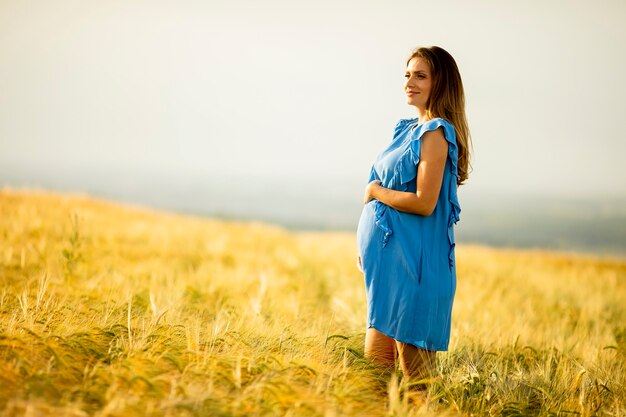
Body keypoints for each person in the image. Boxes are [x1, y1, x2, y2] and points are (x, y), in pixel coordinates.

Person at [355, 46, 472, 385]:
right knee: (375, 374)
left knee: (418, 382)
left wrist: (375, 192)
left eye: (420, 75)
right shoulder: (404, 128)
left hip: (414, 269)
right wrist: (366, 245)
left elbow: (425, 203)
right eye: (407, 74)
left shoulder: (435, 133)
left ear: (440, 83)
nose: (410, 82)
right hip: (389, 267)